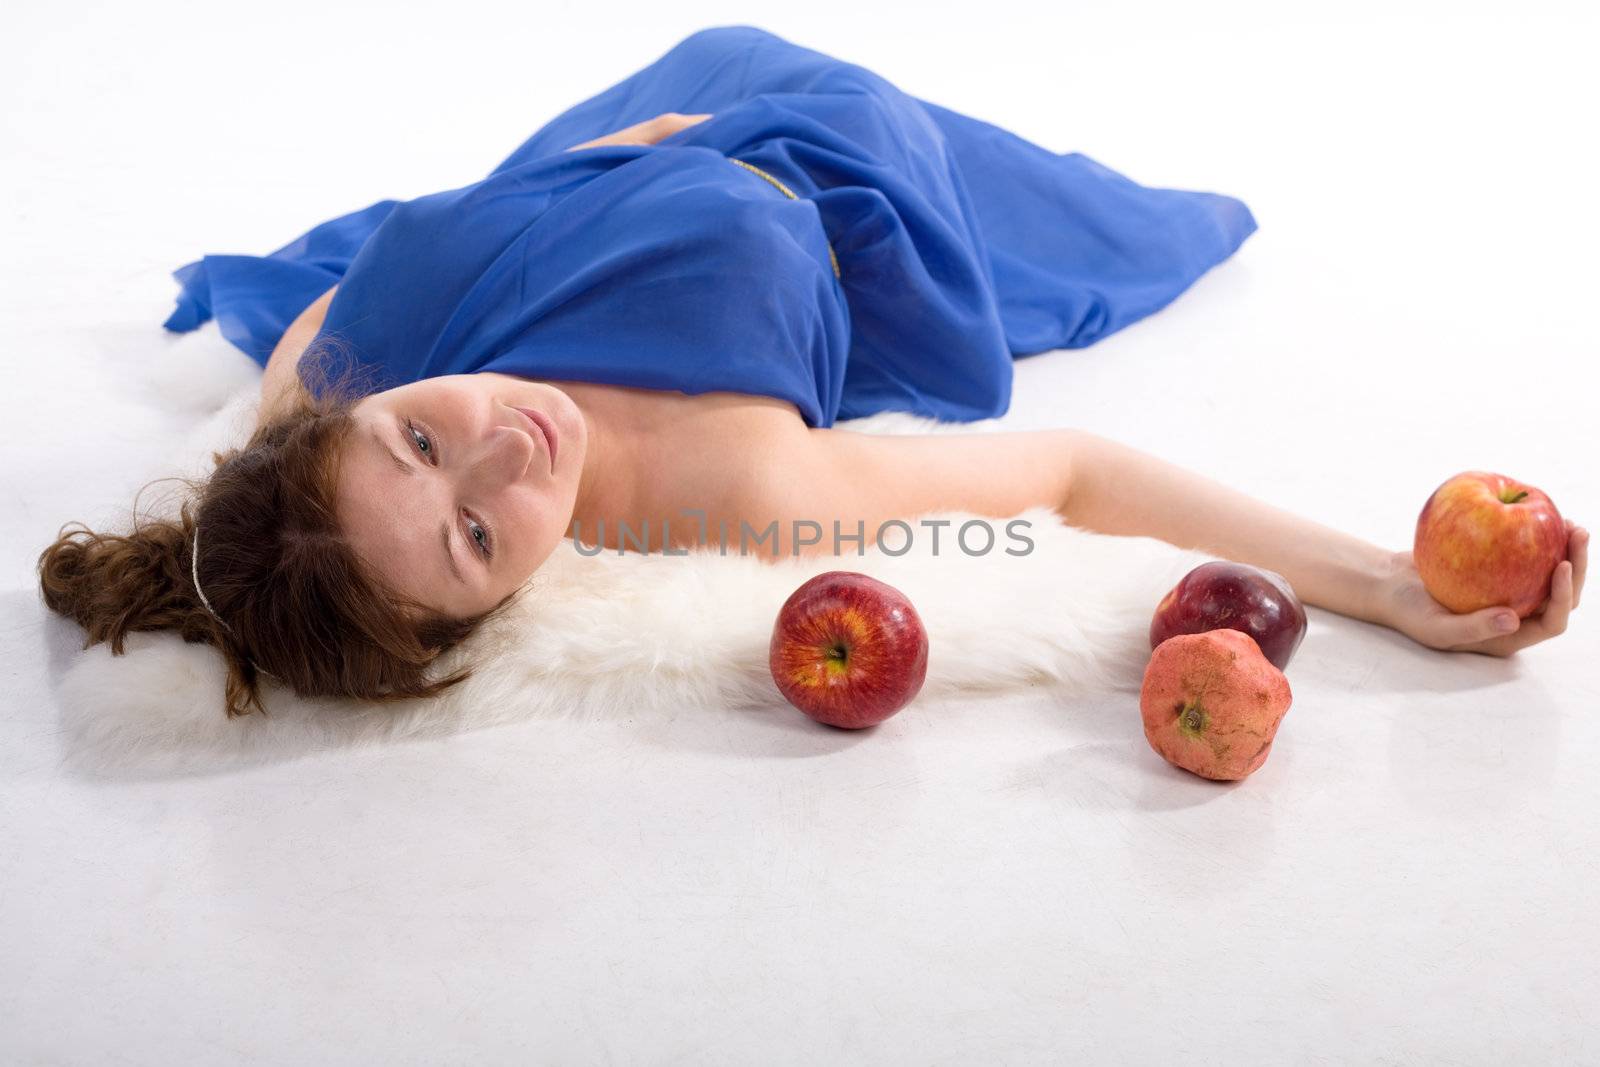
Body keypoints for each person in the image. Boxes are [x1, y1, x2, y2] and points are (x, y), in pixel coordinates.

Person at [38, 27, 1587, 718]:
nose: (511, 452)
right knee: (1135, 231)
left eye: (420, 445)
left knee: (393, 281)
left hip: (662, 121)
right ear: (506, 606)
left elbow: (310, 360)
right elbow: (1077, 476)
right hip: (853, 185)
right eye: (475, 538)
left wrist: (614, 161)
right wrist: (1387, 583)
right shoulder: (743, 495)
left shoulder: (349, 369)